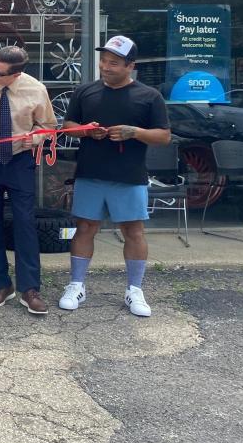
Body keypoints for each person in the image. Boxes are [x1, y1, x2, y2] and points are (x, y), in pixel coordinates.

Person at [59, 36, 170, 317]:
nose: (105, 67)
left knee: (133, 231)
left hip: (129, 175)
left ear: (130, 65)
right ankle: (76, 285)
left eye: (114, 63)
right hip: (90, 173)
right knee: (84, 228)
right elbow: (68, 126)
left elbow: (164, 136)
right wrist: (86, 131)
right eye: (103, 61)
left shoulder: (149, 96)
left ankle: (134, 290)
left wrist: (135, 132)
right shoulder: (85, 91)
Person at [0, 45, 57, 315]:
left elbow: (49, 126)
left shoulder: (36, 89)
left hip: (19, 160)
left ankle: (29, 289)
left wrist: (37, 137)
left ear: (15, 74)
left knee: (25, 223)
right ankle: (1, 284)